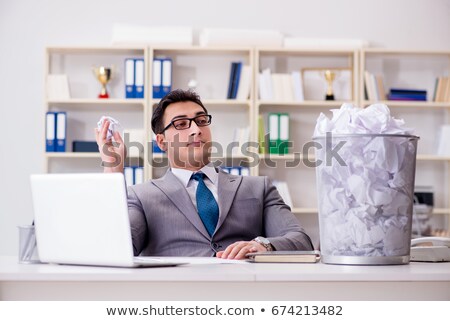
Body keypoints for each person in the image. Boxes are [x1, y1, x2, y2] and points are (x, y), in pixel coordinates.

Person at [95, 89, 313, 259]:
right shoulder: (141, 196)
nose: (195, 129)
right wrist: (113, 169)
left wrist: (263, 245)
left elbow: (301, 241)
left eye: (201, 121)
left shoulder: (258, 187)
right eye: (181, 124)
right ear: (161, 142)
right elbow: (114, 249)